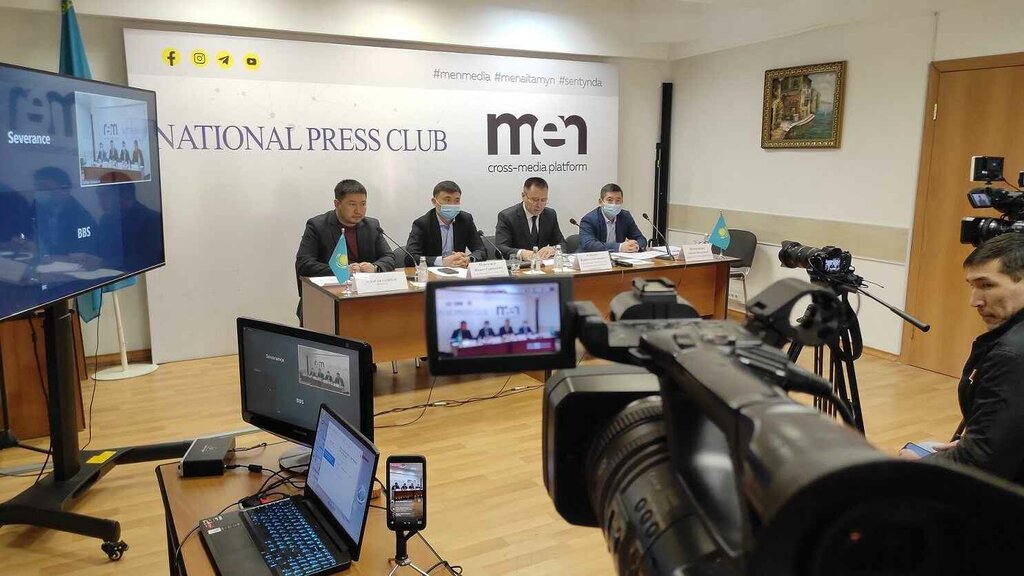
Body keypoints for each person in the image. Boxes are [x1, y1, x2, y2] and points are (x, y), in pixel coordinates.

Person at [898, 234, 1024, 485]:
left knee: (904, 461)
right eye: (972, 286)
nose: (974, 301)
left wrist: (920, 465)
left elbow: (982, 462)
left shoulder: (1010, 356)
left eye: (987, 285)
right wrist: (972, 442)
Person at [294, 179, 396, 318]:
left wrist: (375, 267)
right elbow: (304, 264)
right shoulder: (317, 226)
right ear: (337, 204)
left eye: (363, 204)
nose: (358, 210)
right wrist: (342, 271)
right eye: (352, 204)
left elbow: (389, 257)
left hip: (365, 296)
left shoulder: (372, 226)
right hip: (325, 299)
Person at [405, 180, 486, 267]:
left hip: (459, 271)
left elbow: (481, 251)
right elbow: (410, 257)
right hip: (432, 273)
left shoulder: (465, 220)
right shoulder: (422, 224)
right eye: (447, 200)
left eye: (457, 200)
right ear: (434, 202)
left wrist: (469, 259)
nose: (452, 204)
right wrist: (442, 262)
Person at [495, 177, 565, 261]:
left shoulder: (550, 214)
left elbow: (563, 244)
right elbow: (500, 249)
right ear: (523, 196)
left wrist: (553, 249)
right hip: (520, 265)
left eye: (543, 200)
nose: (539, 205)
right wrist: (521, 253)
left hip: (543, 265)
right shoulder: (507, 216)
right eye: (535, 200)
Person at [577, 183, 648, 253]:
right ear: (600, 202)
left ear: (622, 201)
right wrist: (619, 247)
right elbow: (589, 245)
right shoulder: (589, 219)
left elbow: (641, 239)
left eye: (618, 200)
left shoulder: (625, 216)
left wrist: (635, 246)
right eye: (610, 200)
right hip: (592, 258)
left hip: (618, 258)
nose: (614, 204)